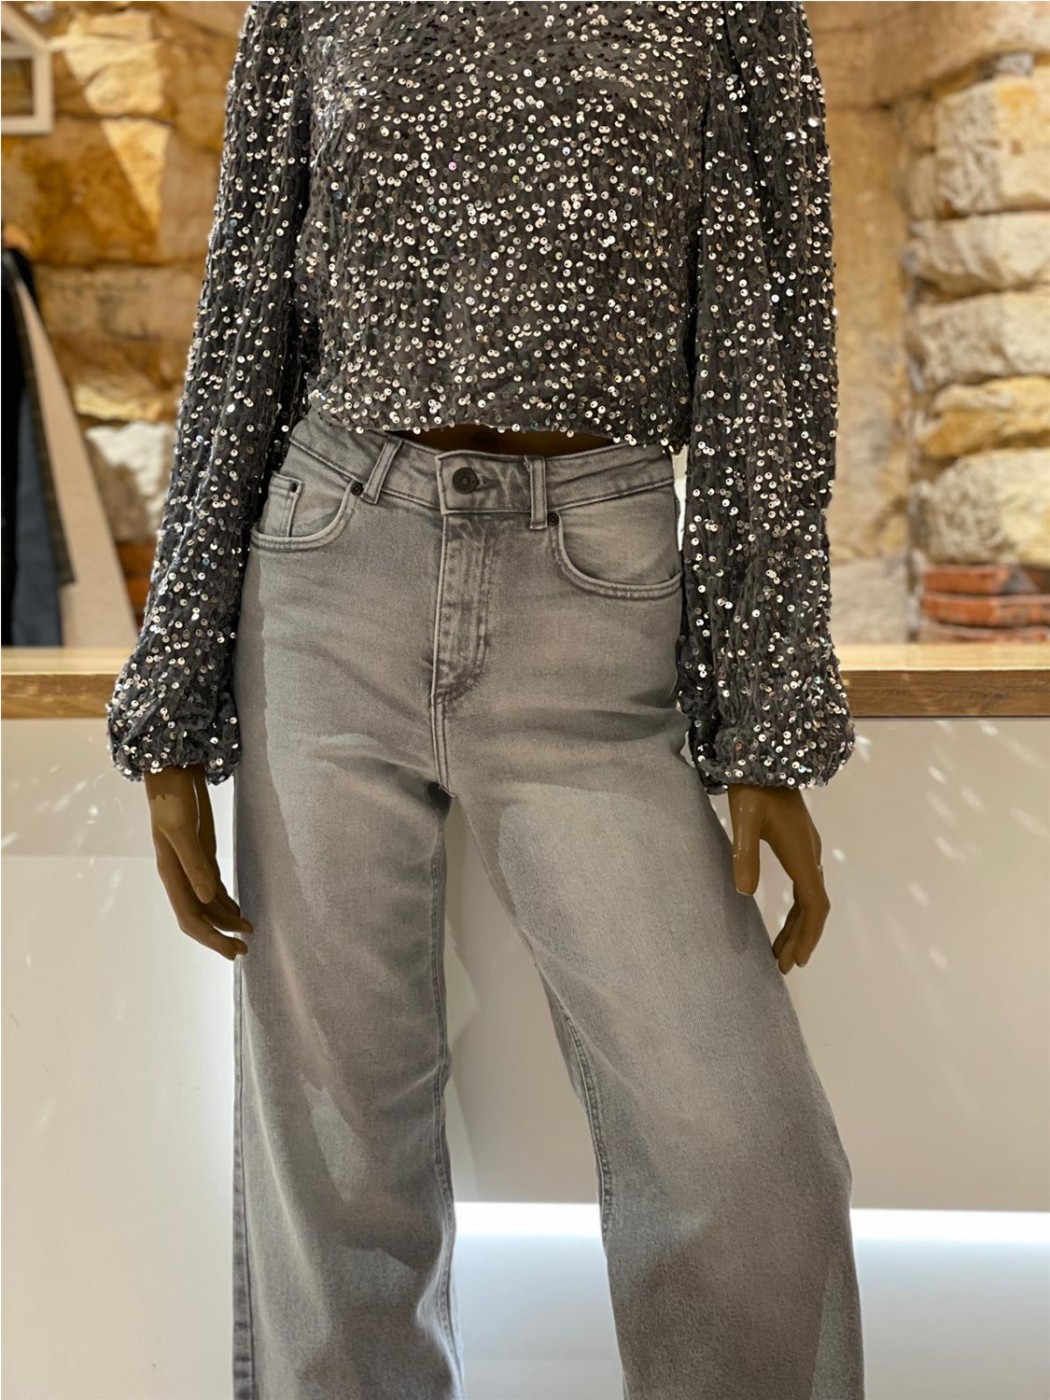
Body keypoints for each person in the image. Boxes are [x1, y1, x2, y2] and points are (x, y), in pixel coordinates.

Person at [105, 3, 865, 1397]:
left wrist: (765, 716)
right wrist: (175, 698)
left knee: (743, 1153)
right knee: (338, 1163)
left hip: (594, 596)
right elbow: (246, 314)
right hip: (330, 568)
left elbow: (767, 353)